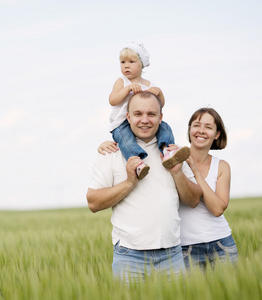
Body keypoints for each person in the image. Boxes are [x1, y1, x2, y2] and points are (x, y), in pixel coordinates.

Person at [87, 91, 202, 283]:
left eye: (151, 114)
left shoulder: (174, 152)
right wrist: (130, 183)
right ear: (128, 117)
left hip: (172, 256)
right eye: (138, 114)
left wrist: (177, 173)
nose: (145, 120)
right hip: (129, 257)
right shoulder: (111, 153)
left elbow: (193, 200)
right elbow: (93, 203)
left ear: (161, 117)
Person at [109, 41, 190, 180]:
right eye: (122, 62)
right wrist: (127, 89)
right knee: (126, 140)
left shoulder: (149, 85)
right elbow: (113, 100)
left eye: (131, 62)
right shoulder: (122, 82)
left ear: (142, 64)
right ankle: (137, 162)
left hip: (143, 122)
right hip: (122, 123)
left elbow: (160, 104)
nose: (126, 65)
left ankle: (167, 150)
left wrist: (159, 92)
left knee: (164, 127)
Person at [178, 107, 238, 269]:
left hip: (222, 246)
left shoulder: (222, 166)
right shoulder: (175, 160)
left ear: (217, 134)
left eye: (208, 127)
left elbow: (217, 209)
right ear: (190, 130)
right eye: (196, 125)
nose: (201, 131)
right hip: (185, 248)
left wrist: (196, 172)